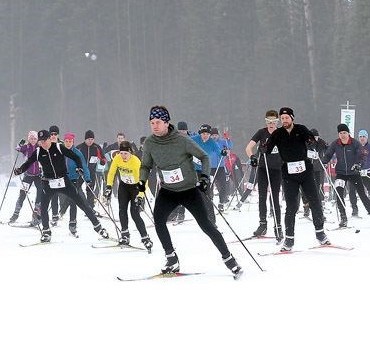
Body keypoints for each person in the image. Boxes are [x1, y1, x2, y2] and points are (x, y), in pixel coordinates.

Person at [138, 105, 241, 277]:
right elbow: (146, 165)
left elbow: (204, 157)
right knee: (158, 220)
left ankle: (229, 259)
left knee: (206, 225)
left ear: (166, 122)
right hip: (168, 191)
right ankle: (171, 258)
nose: (154, 126)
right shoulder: (149, 142)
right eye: (151, 123)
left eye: (157, 122)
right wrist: (142, 180)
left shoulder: (182, 140)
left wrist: (205, 178)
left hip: (189, 190)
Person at [13, 129, 109, 242]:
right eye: (41, 141)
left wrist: (79, 167)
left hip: (64, 181)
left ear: (50, 139)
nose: (43, 143)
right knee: (43, 207)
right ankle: (46, 232)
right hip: (48, 183)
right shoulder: (39, 151)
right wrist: (20, 170)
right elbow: (28, 163)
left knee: (82, 203)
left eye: (45, 141)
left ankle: (98, 227)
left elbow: (76, 157)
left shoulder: (58, 147)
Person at [264, 107, 329, 251]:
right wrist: (263, 149)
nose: (284, 121)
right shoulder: (277, 133)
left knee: (315, 201)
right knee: (291, 206)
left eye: (287, 118)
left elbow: (311, 139)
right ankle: (289, 239)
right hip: (288, 173)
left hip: (305, 171)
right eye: (282, 118)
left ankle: (320, 233)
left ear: (292, 118)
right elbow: (267, 149)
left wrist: (311, 142)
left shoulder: (301, 129)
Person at [322, 124, 370, 228]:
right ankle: (343, 218)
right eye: (340, 133)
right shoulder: (335, 144)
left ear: (348, 133)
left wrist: (359, 165)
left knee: (363, 195)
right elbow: (328, 154)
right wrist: (324, 161)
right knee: (339, 194)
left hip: (353, 173)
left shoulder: (355, 143)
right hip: (341, 173)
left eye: (344, 133)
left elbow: (362, 156)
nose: (343, 135)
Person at [104, 141, 153, 251]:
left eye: (125, 154)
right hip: (124, 187)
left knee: (134, 214)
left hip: (135, 188)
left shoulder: (135, 162)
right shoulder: (117, 158)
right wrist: (108, 187)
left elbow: (143, 179)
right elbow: (111, 173)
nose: (123, 156)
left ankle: (145, 238)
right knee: (122, 210)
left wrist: (140, 196)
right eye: (121, 153)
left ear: (130, 152)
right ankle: (125, 235)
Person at [243, 110, 283, 240]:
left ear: (277, 122)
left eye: (273, 122)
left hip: (277, 170)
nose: (271, 124)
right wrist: (253, 157)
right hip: (263, 168)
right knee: (262, 197)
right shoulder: (261, 132)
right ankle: (262, 224)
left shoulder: (281, 133)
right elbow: (248, 148)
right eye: (268, 122)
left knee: (275, 198)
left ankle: (278, 227)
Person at [56, 132, 89, 233]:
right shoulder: (60, 151)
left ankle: (72, 222)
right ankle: (59, 213)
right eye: (66, 141)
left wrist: (88, 179)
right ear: (64, 141)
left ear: (73, 142)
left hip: (74, 179)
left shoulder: (77, 153)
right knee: (62, 198)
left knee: (73, 200)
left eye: (70, 141)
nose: (68, 143)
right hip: (62, 179)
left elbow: (84, 166)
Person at [9, 131, 42, 224]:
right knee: (22, 194)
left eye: (35, 138)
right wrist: (20, 144)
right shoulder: (26, 147)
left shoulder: (39, 147)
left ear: (37, 139)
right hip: (27, 175)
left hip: (38, 175)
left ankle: (36, 216)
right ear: (29, 139)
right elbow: (17, 148)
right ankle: (15, 214)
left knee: (40, 194)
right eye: (31, 138)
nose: (33, 140)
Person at [76, 130, 107, 209]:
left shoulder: (96, 147)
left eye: (92, 139)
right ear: (85, 139)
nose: (90, 141)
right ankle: (85, 204)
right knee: (76, 189)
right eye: (89, 139)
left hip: (91, 173)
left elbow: (103, 157)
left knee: (90, 190)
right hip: (80, 173)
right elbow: (73, 158)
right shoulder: (79, 147)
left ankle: (90, 208)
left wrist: (103, 161)